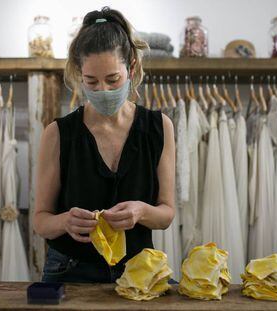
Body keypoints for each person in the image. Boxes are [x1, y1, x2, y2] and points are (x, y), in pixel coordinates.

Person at [33, 6, 176, 283]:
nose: (103, 90)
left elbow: (166, 213)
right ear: (79, 75)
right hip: (70, 270)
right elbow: (41, 220)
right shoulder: (58, 134)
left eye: (113, 80)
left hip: (139, 270)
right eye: (91, 81)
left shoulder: (159, 128)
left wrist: (141, 211)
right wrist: (64, 221)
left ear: (131, 68)